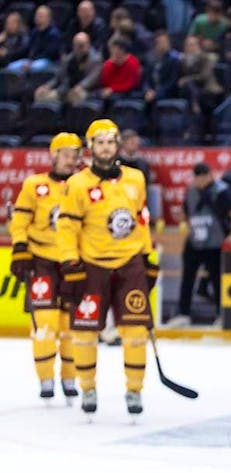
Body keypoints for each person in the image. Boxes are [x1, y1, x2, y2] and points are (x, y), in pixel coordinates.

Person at [56, 119, 157, 418]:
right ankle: (87, 386)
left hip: (130, 264)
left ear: (117, 146)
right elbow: (66, 228)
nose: (105, 147)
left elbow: (142, 219)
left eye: (110, 142)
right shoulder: (77, 184)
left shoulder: (135, 178)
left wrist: (148, 257)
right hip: (92, 267)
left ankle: (134, 390)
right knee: (85, 334)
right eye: (99, 142)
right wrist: (69, 262)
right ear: (90, 148)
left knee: (136, 331)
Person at [9, 133, 83, 404]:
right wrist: (20, 248)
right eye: (66, 153)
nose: (71, 159)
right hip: (42, 260)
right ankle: (46, 379)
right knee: (46, 324)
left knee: (71, 326)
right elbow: (20, 221)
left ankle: (70, 377)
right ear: (53, 155)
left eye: (75, 154)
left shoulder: (84, 186)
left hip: (73, 261)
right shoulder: (34, 184)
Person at [166, 162, 231, 327]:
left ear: (209, 175)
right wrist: (181, 217)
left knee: (217, 279)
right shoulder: (191, 192)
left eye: (203, 176)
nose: (200, 180)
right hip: (195, 240)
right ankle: (183, 313)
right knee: (187, 277)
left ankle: (221, 314)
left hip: (215, 242)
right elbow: (187, 215)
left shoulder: (222, 190)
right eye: (197, 177)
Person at [34, 32, 103, 104]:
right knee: (40, 94)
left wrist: (81, 86)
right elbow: (58, 78)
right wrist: (47, 86)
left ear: (88, 44)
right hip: (65, 90)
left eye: (82, 45)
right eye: (77, 45)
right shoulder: (69, 59)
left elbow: (91, 78)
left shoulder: (96, 60)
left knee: (77, 96)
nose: (80, 48)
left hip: (85, 92)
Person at [6, 5, 62, 74]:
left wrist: (31, 61)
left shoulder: (54, 33)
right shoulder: (34, 32)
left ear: (48, 18)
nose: (37, 17)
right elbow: (27, 49)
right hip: (33, 60)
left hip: (49, 61)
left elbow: (49, 53)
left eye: (40, 15)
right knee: (10, 67)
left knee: (34, 67)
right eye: (37, 15)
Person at [143, 30, 181, 106]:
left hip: (167, 93)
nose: (163, 44)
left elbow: (172, 82)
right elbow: (145, 80)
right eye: (160, 42)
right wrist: (147, 90)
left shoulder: (174, 60)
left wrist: (157, 93)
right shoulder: (151, 59)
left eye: (165, 42)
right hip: (151, 93)